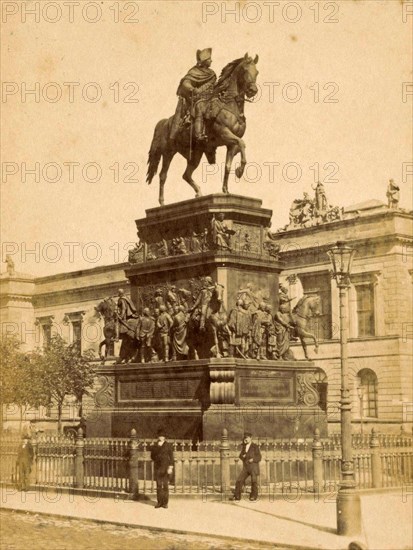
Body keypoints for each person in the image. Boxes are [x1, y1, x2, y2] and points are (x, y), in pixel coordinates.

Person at [170, 48, 217, 142]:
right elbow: (185, 83)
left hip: (210, 97)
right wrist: (193, 89)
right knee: (200, 107)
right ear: (204, 61)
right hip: (196, 98)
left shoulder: (211, 73)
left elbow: (213, 85)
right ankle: (198, 134)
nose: (211, 61)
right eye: (209, 59)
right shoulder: (194, 71)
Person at [232, 432, 261, 502]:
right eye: (245, 437)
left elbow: (259, 457)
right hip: (246, 467)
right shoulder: (244, 446)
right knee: (239, 480)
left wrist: (253, 459)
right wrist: (243, 456)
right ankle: (237, 496)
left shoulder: (255, 446)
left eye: (247, 437)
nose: (246, 439)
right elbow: (240, 456)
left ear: (251, 438)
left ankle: (253, 496)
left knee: (254, 481)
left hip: (253, 467)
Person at [150, 428, 174, 509]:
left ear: (164, 437)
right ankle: (159, 502)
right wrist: (157, 458)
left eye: (162, 436)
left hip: (165, 468)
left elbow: (171, 457)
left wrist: (170, 467)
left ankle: (165, 503)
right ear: (158, 437)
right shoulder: (154, 446)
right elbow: (152, 456)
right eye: (159, 436)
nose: (160, 437)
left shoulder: (168, 446)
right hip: (158, 468)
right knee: (159, 485)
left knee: (165, 486)